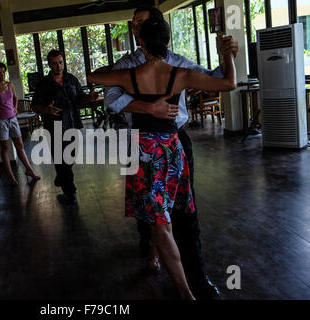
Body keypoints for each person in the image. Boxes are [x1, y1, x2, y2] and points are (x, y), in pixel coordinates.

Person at [88, 16, 236, 299]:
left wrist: (115, 71)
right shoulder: (179, 72)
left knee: (160, 222)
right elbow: (228, 83)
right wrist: (228, 55)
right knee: (165, 217)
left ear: (141, 39)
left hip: (144, 151)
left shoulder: (130, 74)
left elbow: (93, 78)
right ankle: (172, 273)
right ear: (167, 40)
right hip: (172, 149)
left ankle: (186, 292)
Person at [32, 50, 99, 205]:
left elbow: (79, 100)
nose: (59, 66)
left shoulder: (71, 79)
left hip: (73, 123)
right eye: (55, 63)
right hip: (54, 126)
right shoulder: (44, 84)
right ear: (49, 64)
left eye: (61, 62)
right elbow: (35, 106)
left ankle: (61, 176)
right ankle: (71, 193)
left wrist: (89, 98)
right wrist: (46, 110)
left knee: (72, 156)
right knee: (62, 159)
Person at [0, 62, 40, 185]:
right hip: (0, 121)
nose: (2, 75)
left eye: (3, 72)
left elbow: (15, 98)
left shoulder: (10, 85)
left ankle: (29, 170)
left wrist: (15, 108)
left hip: (12, 119)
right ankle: (11, 176)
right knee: (5, 148)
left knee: (20, 146)